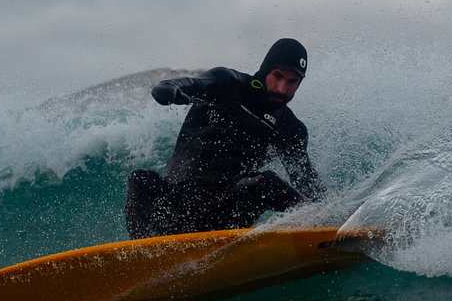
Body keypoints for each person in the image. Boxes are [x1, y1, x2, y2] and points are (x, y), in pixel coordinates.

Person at [125, 38, 323, 238]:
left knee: (267, 183)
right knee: (141, 179)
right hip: (177, 206)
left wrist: (328, 213)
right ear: (265, 70)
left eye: (292, 82)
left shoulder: (290, 128)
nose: (282, 89)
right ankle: (144, 250)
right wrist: (169, 87)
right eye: (277, 76)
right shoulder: (228, 84)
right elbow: (191, 83)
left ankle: (318, 234)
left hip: (226, 216)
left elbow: (306, 181)